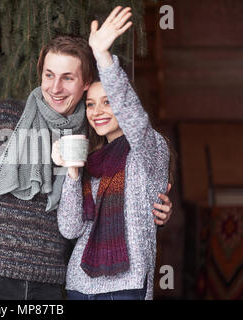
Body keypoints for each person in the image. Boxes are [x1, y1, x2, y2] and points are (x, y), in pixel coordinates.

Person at [0, 5, 172, 300]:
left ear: (86, 84)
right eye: (49, 75)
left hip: (48, 282)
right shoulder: (2, 118)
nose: (56, 88)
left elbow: (115, 196)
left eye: (68, 78)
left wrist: (155, 205)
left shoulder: (92, 139)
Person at [52, 7, 170, 300]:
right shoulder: (92, 161)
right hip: (79, 283)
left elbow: (133, 117)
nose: (98, 111)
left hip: (125, 285)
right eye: (91, 104)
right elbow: (70, 228)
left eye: (108, 102)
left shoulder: (149, 150)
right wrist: (72, 172)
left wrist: (102, 56)